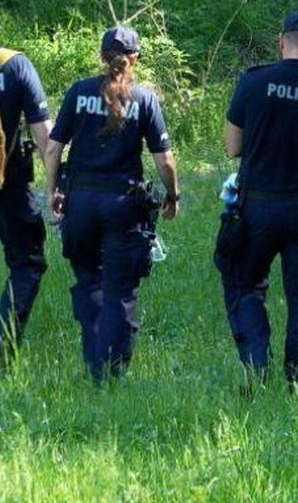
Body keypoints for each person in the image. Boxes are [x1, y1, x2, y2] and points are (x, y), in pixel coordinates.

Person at [43, 27, 180, 382]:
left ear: (102, 57)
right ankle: (113, 369)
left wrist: (52, 192)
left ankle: (94, 364)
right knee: (121, 287)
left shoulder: (78, 92)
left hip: (82, 201)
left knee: (89, 282)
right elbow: (164, 160)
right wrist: (173, 196)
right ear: (135, 59)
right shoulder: (144, 99)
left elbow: (54, 148)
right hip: (124, 204)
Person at [220, 11, 298, 383]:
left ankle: (256, 360)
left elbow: (232, 147)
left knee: (244, 284)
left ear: (282, 41)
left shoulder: (254, 82)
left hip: (256, 207)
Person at [0, 44, 52, 357]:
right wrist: (57, 187)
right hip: (10, 186)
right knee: (26, 263)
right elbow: (45, 136)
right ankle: (2, 347)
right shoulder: (14, 65)